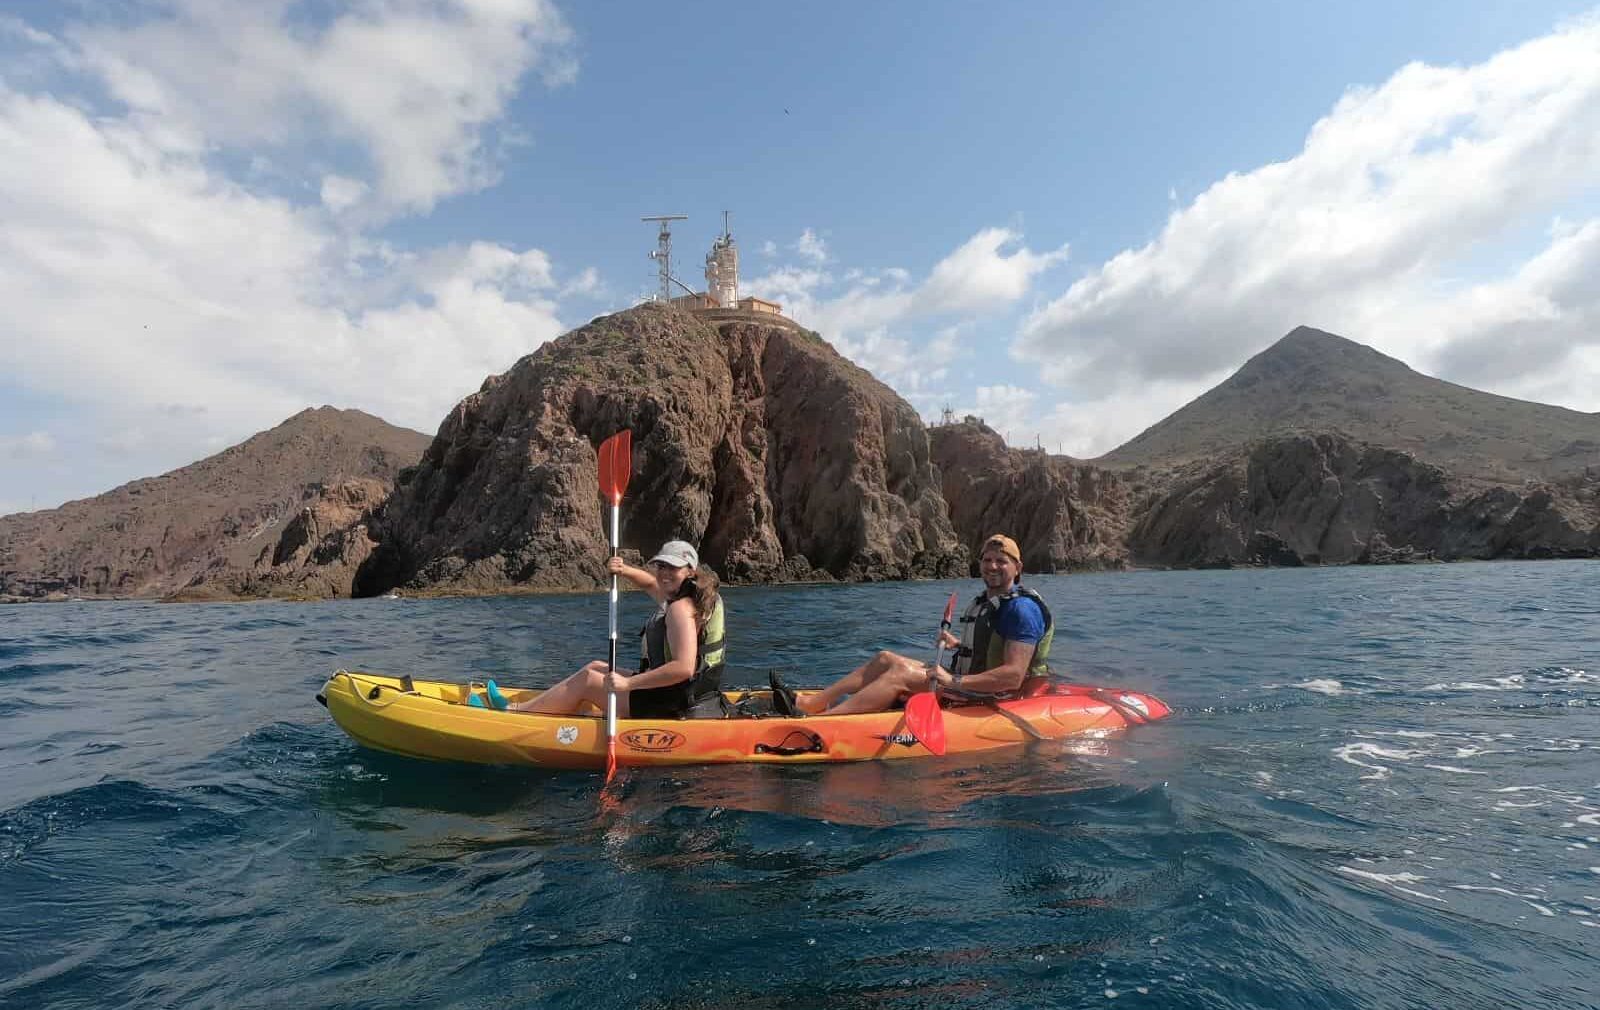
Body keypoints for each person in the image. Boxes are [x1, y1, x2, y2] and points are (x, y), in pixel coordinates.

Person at [771, 534, 1053, 716]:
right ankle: (814, 703)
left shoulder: (1022, 610)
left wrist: (952, 679)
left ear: (1018, 567)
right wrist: (958, 643)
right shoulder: (991, 602)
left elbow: (1013, 676)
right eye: (987, 560)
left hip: (990, 695)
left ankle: (824, 721)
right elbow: (989, 647)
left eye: (1001, 562)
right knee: (886, 658)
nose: (992, 566)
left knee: (900, 675)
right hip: (965, 680)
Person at [479, 540, 726, 719]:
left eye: (672, 568)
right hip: (689, 693)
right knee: (595, 667)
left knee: (588, 681)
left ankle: (515, 715)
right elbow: (651, 583)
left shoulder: (680, 610)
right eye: (661, 566)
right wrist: (624, 569)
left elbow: (683, 668)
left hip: (671, 702)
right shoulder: (695, 596)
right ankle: (546, 706)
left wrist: (627, 685)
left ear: (690, 571)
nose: (663, 573)